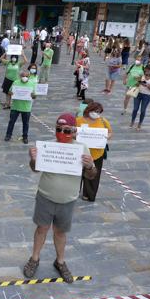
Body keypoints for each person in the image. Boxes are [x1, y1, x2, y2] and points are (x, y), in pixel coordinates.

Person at [23, 113, 96, 281]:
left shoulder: (82, 148)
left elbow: (91, 175)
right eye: (58, 129)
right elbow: (35, 169)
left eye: (66, 130)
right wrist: (33, 159)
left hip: (68, 199)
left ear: (74, 131)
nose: (62, 132)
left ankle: (60, 261)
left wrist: (90, 165)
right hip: (45, 196)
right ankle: (34, 258)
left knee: (61, 232)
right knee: (41, 228)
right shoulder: (48, 146)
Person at [76, 102, 112, 202]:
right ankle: (74, 192)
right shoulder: (78, 120)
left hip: (97, 154)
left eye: (99, 112)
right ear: (88, 110)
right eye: (95, 111)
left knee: (93, 175)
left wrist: (106, 137)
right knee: (77, 174)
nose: (96, 114)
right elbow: (73, 132)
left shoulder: (103, 121)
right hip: (80, 152)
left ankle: (88, 194)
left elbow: (110, 132)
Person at [5, 70, 36, 144]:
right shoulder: (16, 82)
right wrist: (11, 93)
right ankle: (8, 135)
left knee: (26, 123)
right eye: (23, 76)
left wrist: (33, 95)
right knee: (11, 122)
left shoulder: (32, 84)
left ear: (29, 76)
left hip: (26, 107)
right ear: (20, 76)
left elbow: (34, 96)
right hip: (15, 106)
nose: (24, 77)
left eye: (26, 76)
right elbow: (9, 92)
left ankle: (25, 137)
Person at [130, 64, 150, 130]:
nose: (146, 72)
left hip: (147, 96)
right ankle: (132, 121)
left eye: (148, 71)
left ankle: (140, 123)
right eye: (146, 71)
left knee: (143, 110)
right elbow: (136, 84)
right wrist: (139, 82)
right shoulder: (142, 75)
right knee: (135, 109)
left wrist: (147, 85)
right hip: (138, 94)